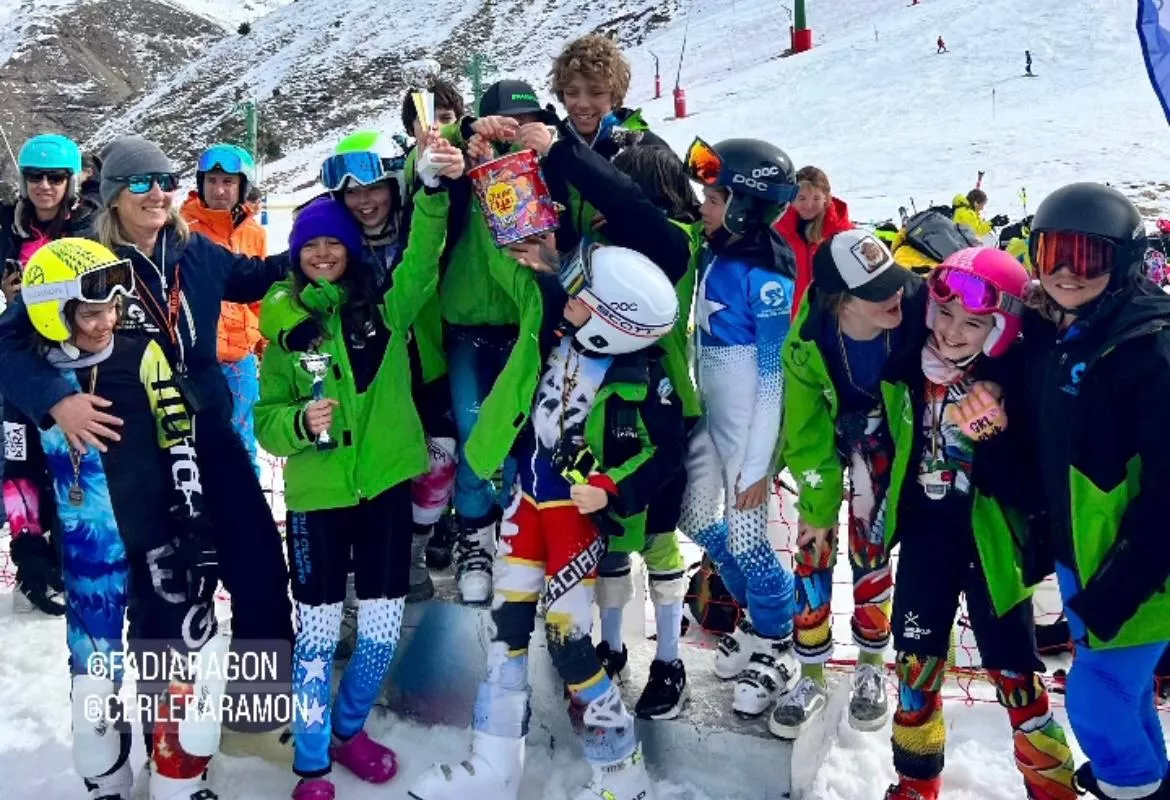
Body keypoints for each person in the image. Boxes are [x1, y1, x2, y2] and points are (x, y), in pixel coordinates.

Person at [0, 136, 296, 760]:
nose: (158, 192)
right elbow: (10, 344)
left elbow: (271, 274)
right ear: (111, 195)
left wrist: (345, 232)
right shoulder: (79, 259)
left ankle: (255, 717)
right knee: (156, 589)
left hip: (206, 433)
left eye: (165, 179)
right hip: (125, 448)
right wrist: (56, 398)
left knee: (258, 559)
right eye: (140, 182)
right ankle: (164, 743)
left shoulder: (198, 253)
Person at [409, 243, 683, 800]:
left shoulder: (642, 376)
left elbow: (666, 453)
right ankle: (493, 765)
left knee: (569, 644)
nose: (569, 301)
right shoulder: (562, 335)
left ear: (614, 323)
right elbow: (546, 296)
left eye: (582, 299)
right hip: (526, 504)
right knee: (505, 630)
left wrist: (610, 489)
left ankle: (621, 774)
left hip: (571, 520)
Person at [256, 133, 463, 800]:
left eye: (333, 244)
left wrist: (431, 194)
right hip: (317, 499)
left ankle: (349, 730)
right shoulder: (286, 329)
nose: (322, 255)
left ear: (350, 251)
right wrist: (297, 423)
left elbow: (423, 261)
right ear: (297, 255)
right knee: (316, 641)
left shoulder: (387, 309)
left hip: (382, 491)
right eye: (310, 246)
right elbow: (265, 421)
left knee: (377, 633)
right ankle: (312, 761)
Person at [17, 237, 225, 800]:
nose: (106, 319)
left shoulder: (141, 353)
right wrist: (25, 538)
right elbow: (16, 466)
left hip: (161, 537)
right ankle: (105, 779)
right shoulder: (27, 382)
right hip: (88, 554)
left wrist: (196, 516)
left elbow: (179, 435)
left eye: (112, 307)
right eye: (89, 311)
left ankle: (178, 778)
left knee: (180, 654)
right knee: (93, 671)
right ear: (51, 312)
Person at [879, 246, 1077, 800]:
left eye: (973, 322)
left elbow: (1032, 487)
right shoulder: (908, 364)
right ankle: (916, 783)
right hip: (925, 543)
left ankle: (1053, 787)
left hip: (993, 549)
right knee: (915, 671)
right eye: (944, 313)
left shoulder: (1019, 381)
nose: (952, 331)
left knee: (1016, 679)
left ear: (1000, 330)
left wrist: (998, 435)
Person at [521, 136, 699, 717]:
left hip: (656, 399)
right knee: (613, 540)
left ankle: (669, 658)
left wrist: (564, 152)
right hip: (597, 397)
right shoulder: (605, 248)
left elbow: (631, 210)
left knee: (660, 537)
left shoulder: (671, 244)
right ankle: (616, 644)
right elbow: (573, 282)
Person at [1021, 182, 1170, 800]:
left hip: (1141, 572)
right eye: (1050, 252)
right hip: (1088, 557)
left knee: (1097, 702)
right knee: (1123, 691)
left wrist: (1121, 588)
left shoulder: (1150, 350)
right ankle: (1144, 779)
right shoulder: (1075, 334)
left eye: (1085, 258)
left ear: (1125, 262)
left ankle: (1129, 785)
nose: (1063, 272)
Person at [278, 129, 457, 604]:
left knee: (436, 462)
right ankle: (358, 576)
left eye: (375, 187)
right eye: (353, 191)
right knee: (374, 471)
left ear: (394, 188)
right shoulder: (329, 241)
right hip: (366, 372)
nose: (365, 201)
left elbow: (423, 265)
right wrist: (287, 324)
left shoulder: (420, 223)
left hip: (427, 360)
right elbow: (286, 286)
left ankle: (414, 548)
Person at [775, 229, 922, 739]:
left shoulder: (913, 313)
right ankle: (811, 672)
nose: (895, 295)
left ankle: (869, 665)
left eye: (893, 282)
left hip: (886, 440)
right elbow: (804, 428)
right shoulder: (807, 342)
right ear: (841, 303)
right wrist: (817, 503)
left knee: (872, 548)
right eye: (877, 292)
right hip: (829, 436)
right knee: (812, 548)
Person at [678, 136, 799, 717]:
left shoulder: (767, 277)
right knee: (695, 520)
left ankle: (779, 638)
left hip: (748, 424)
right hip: (710, 415)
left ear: (748, 206)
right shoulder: (716, 252)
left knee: (751, 541)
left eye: (715, 196)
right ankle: (760, 617)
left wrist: (758, 464)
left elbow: (773, 379)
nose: (704, 204)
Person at [433, 80, 558, 604]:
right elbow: (425, 178)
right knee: (470, 435)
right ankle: (475, 540)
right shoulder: (463, 162)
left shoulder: (541, 169)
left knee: (515, 439)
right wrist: (466, 137)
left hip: (519, 328)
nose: (513, 130)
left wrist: (547, 153)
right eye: (503, 120)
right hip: (464, 329)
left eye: (524, 119)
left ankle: (509, 538)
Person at [0, 133, 98, 614]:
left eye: (56, 177)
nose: (45, 186)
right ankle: (28, 554)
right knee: (17, 463)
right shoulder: (6, 227)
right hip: (19, 369)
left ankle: (68, 555)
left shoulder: (87, 229)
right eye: (35, 177)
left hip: (69, 368)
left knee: (68, 462)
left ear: (71, 181)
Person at [180, 143, 267, 475]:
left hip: (241, 357)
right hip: (198, 360)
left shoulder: (253, 232)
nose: (219, 190)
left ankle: (247, 517)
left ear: (241, 186)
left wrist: (265, 341)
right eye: (212, 181)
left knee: (243, 442)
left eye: (228, 182)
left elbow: (258, 291)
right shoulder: (182, 230)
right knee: (197, 444)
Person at [548, 34, 670, 239]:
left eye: (596, 93)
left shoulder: (647, 150)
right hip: (566, 267)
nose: (583, 103)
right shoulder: (551, 149)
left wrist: (634, 215)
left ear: (614, 95)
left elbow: (680, 228)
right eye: (571, 93)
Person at [771, 165, 853, 316]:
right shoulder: (775, 230)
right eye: (802, 198)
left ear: (826, 199)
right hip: (788, 317)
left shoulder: (843, 232)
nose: (809, 206)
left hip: (832, 316)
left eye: (816, 198)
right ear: (791, 198)